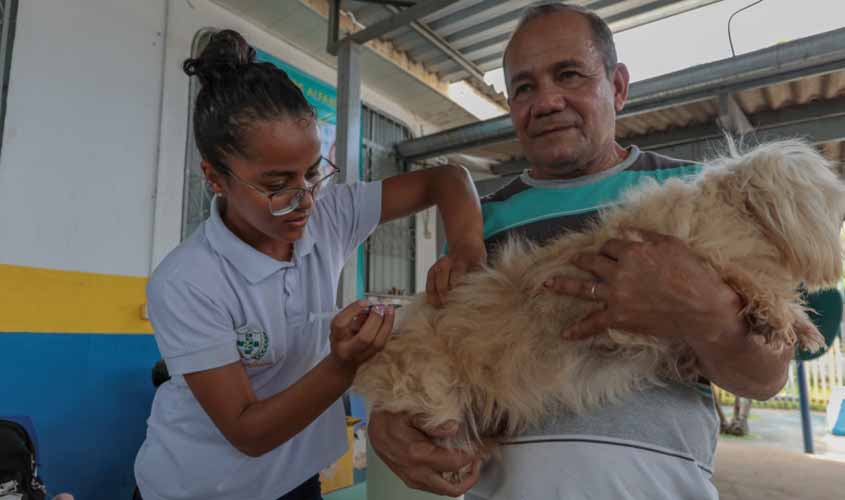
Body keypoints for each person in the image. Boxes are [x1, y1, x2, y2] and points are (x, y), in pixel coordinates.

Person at [367, 3, 806, 499]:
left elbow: (766, 376)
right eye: (524, 88)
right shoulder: (477, 226)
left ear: (617, 86)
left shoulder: (698, 194)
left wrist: (700, 308)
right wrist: (390, 421)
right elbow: (438, 355)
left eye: (569, 74)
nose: (546, 101)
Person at [133, 30, 485, 500]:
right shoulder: (188, 281)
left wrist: (467, 249)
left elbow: (449, 180)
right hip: (202, 488)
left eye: (313, 172)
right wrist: (342, 365)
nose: (304, 201)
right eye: (277, 185)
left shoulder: (329, 215)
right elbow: (247, 431)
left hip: (296, 478)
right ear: (215, 177)